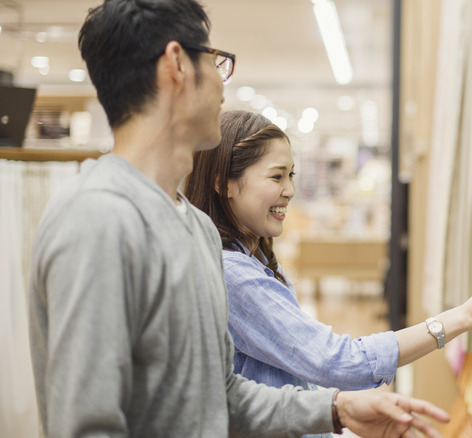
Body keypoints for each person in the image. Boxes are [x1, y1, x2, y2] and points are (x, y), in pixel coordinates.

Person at [27, 1, 450, 437]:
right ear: (177, 63)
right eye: (214, 61)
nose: (222, 84)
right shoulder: (98, 219)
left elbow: (221, 397)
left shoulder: (196, 228)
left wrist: (335, 408)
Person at [185, 110, 472, 393]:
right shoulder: (234, 276)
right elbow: (337, 361)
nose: (289, 190)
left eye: (291, 175)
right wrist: (463, 316)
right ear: (223, 183)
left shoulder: (251, 260)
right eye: (276, 177)